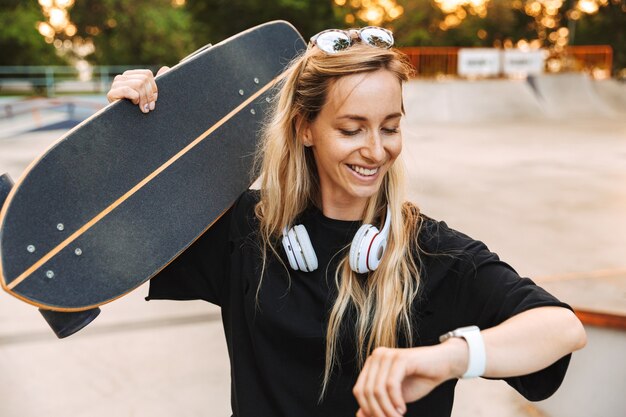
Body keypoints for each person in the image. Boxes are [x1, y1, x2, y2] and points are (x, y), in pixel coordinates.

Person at [107, 27, 587, 417]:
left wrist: (448, 358)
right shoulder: (245, 234)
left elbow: (561, 327)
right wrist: (135, 130)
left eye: (391, 127)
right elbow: (109, 241)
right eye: (352, 129)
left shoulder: (430, 253)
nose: (377, 150)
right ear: (305, 127)